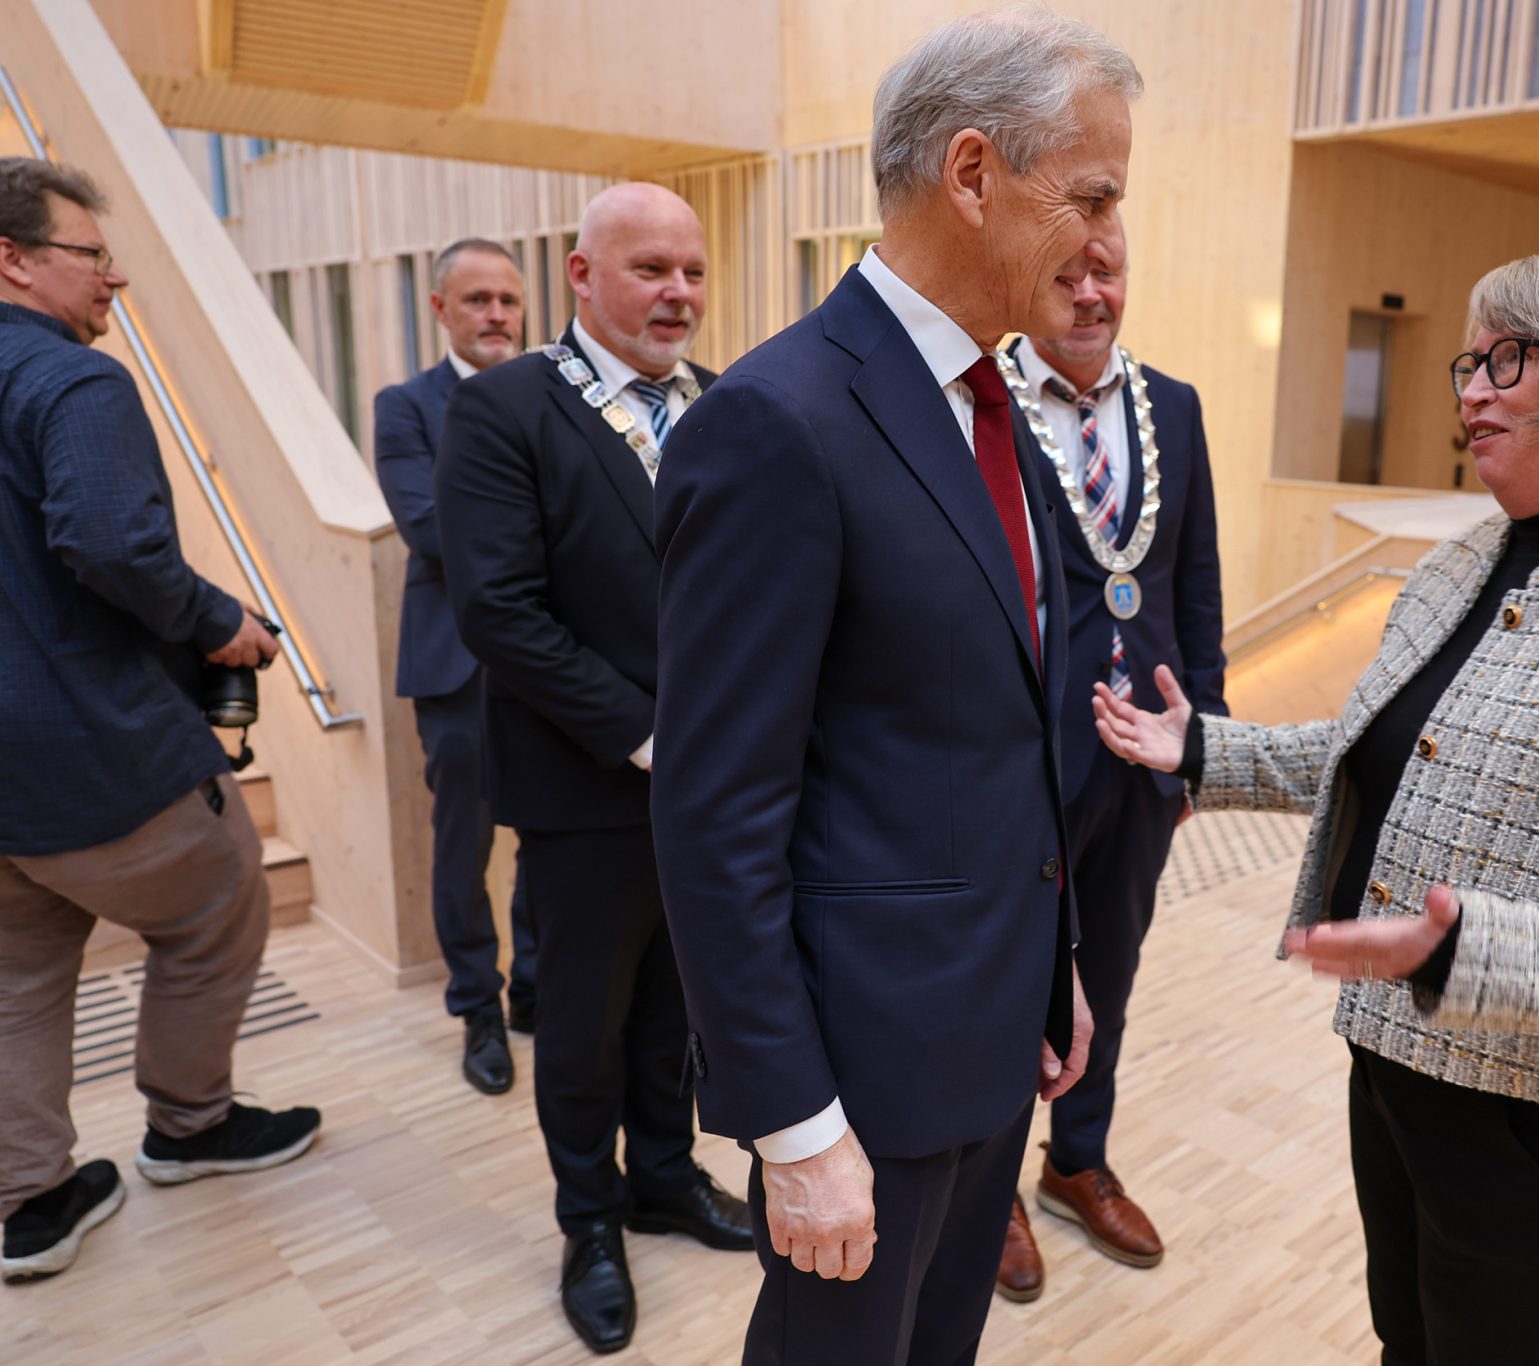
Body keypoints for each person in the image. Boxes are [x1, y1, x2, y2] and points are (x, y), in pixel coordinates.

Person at [1096, 249, 1539, 1365]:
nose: (1470, 390)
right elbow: (1392, 750)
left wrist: (1471, 952)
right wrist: (1204, 751)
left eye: (1506, 359)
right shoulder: (1466, 559)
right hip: (1403, 1075)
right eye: (1467, 364)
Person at [652, 13, 1138, 1363]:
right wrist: (792, 1122)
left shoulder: (992, 404)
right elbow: (714, 812)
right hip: (857, 1075)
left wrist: (1054, 967)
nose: (1108, 240)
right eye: (1092, 195)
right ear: (973, 174)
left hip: (987, 1031)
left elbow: (994, 730)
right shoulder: (777, 419)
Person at [435, 183, 750, 1355]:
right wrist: (650, 735)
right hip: (587, 788)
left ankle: (663, 1176)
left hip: (719, 792)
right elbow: (499, 611)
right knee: (582, 1023)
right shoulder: (504, 408)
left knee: (679, 1003)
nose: (679, 293)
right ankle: (590, 1220)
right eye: (650, 270)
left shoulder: (726, 403)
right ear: (579, 275)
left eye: (692, 271)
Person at [0, 158, 321, 1284]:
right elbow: (110, 543)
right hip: (94, 754)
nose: (116, 276)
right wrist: (218, 620)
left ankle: (30, 1200)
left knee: (17, 977)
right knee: (219, 898)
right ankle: (190, 1125)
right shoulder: (73, 383)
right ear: (13, 260)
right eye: (92, 255)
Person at [993, 257, 1226, 1301]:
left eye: (1108, 273)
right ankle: (991, 1182)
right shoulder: (984, 399)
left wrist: (1203, 741)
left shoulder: (1174, 405)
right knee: (1014, 976)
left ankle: (1075, 1162)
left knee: (1113, 971)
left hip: (1145, 761)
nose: (1090, 293)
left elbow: (1195, 580)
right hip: (1026, 758)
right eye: (1066, 273)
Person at [373, 237, 538, 1098]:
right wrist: (548, 529)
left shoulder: (551, 393)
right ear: (440, 308)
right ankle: (479, 1006)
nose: (496, 315)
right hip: (456, 665)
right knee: (463, 847)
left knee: (551, 831)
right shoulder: (405, 408)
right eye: (478, 300)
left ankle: (534, 986)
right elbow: (429, 529)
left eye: (508, 299)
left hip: (550, 658)